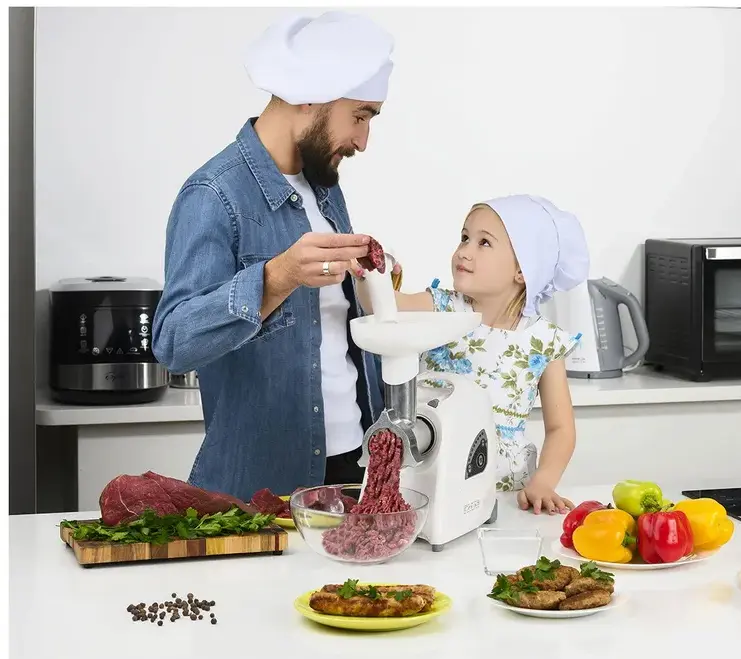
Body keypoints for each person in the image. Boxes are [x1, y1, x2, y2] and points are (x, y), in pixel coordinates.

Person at [152, 11, 400, 501]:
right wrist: (277, 276)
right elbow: (173, 341)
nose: (363, 142)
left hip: (354, 467)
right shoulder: (213, 194)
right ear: (309, 94)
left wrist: (368, 282)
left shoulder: (323, 187)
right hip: (264, 485)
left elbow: (329, 331)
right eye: (360, 116)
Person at [354, 195, 589, 514]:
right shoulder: (441, 307)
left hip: (503, 492)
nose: (464, 251)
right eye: (465, 237)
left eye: (484, 243)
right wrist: (371, 276)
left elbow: (561, 429)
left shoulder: (544, 341)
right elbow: (384, 307)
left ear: (523, 270)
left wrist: (543, 482)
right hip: (429, 476)